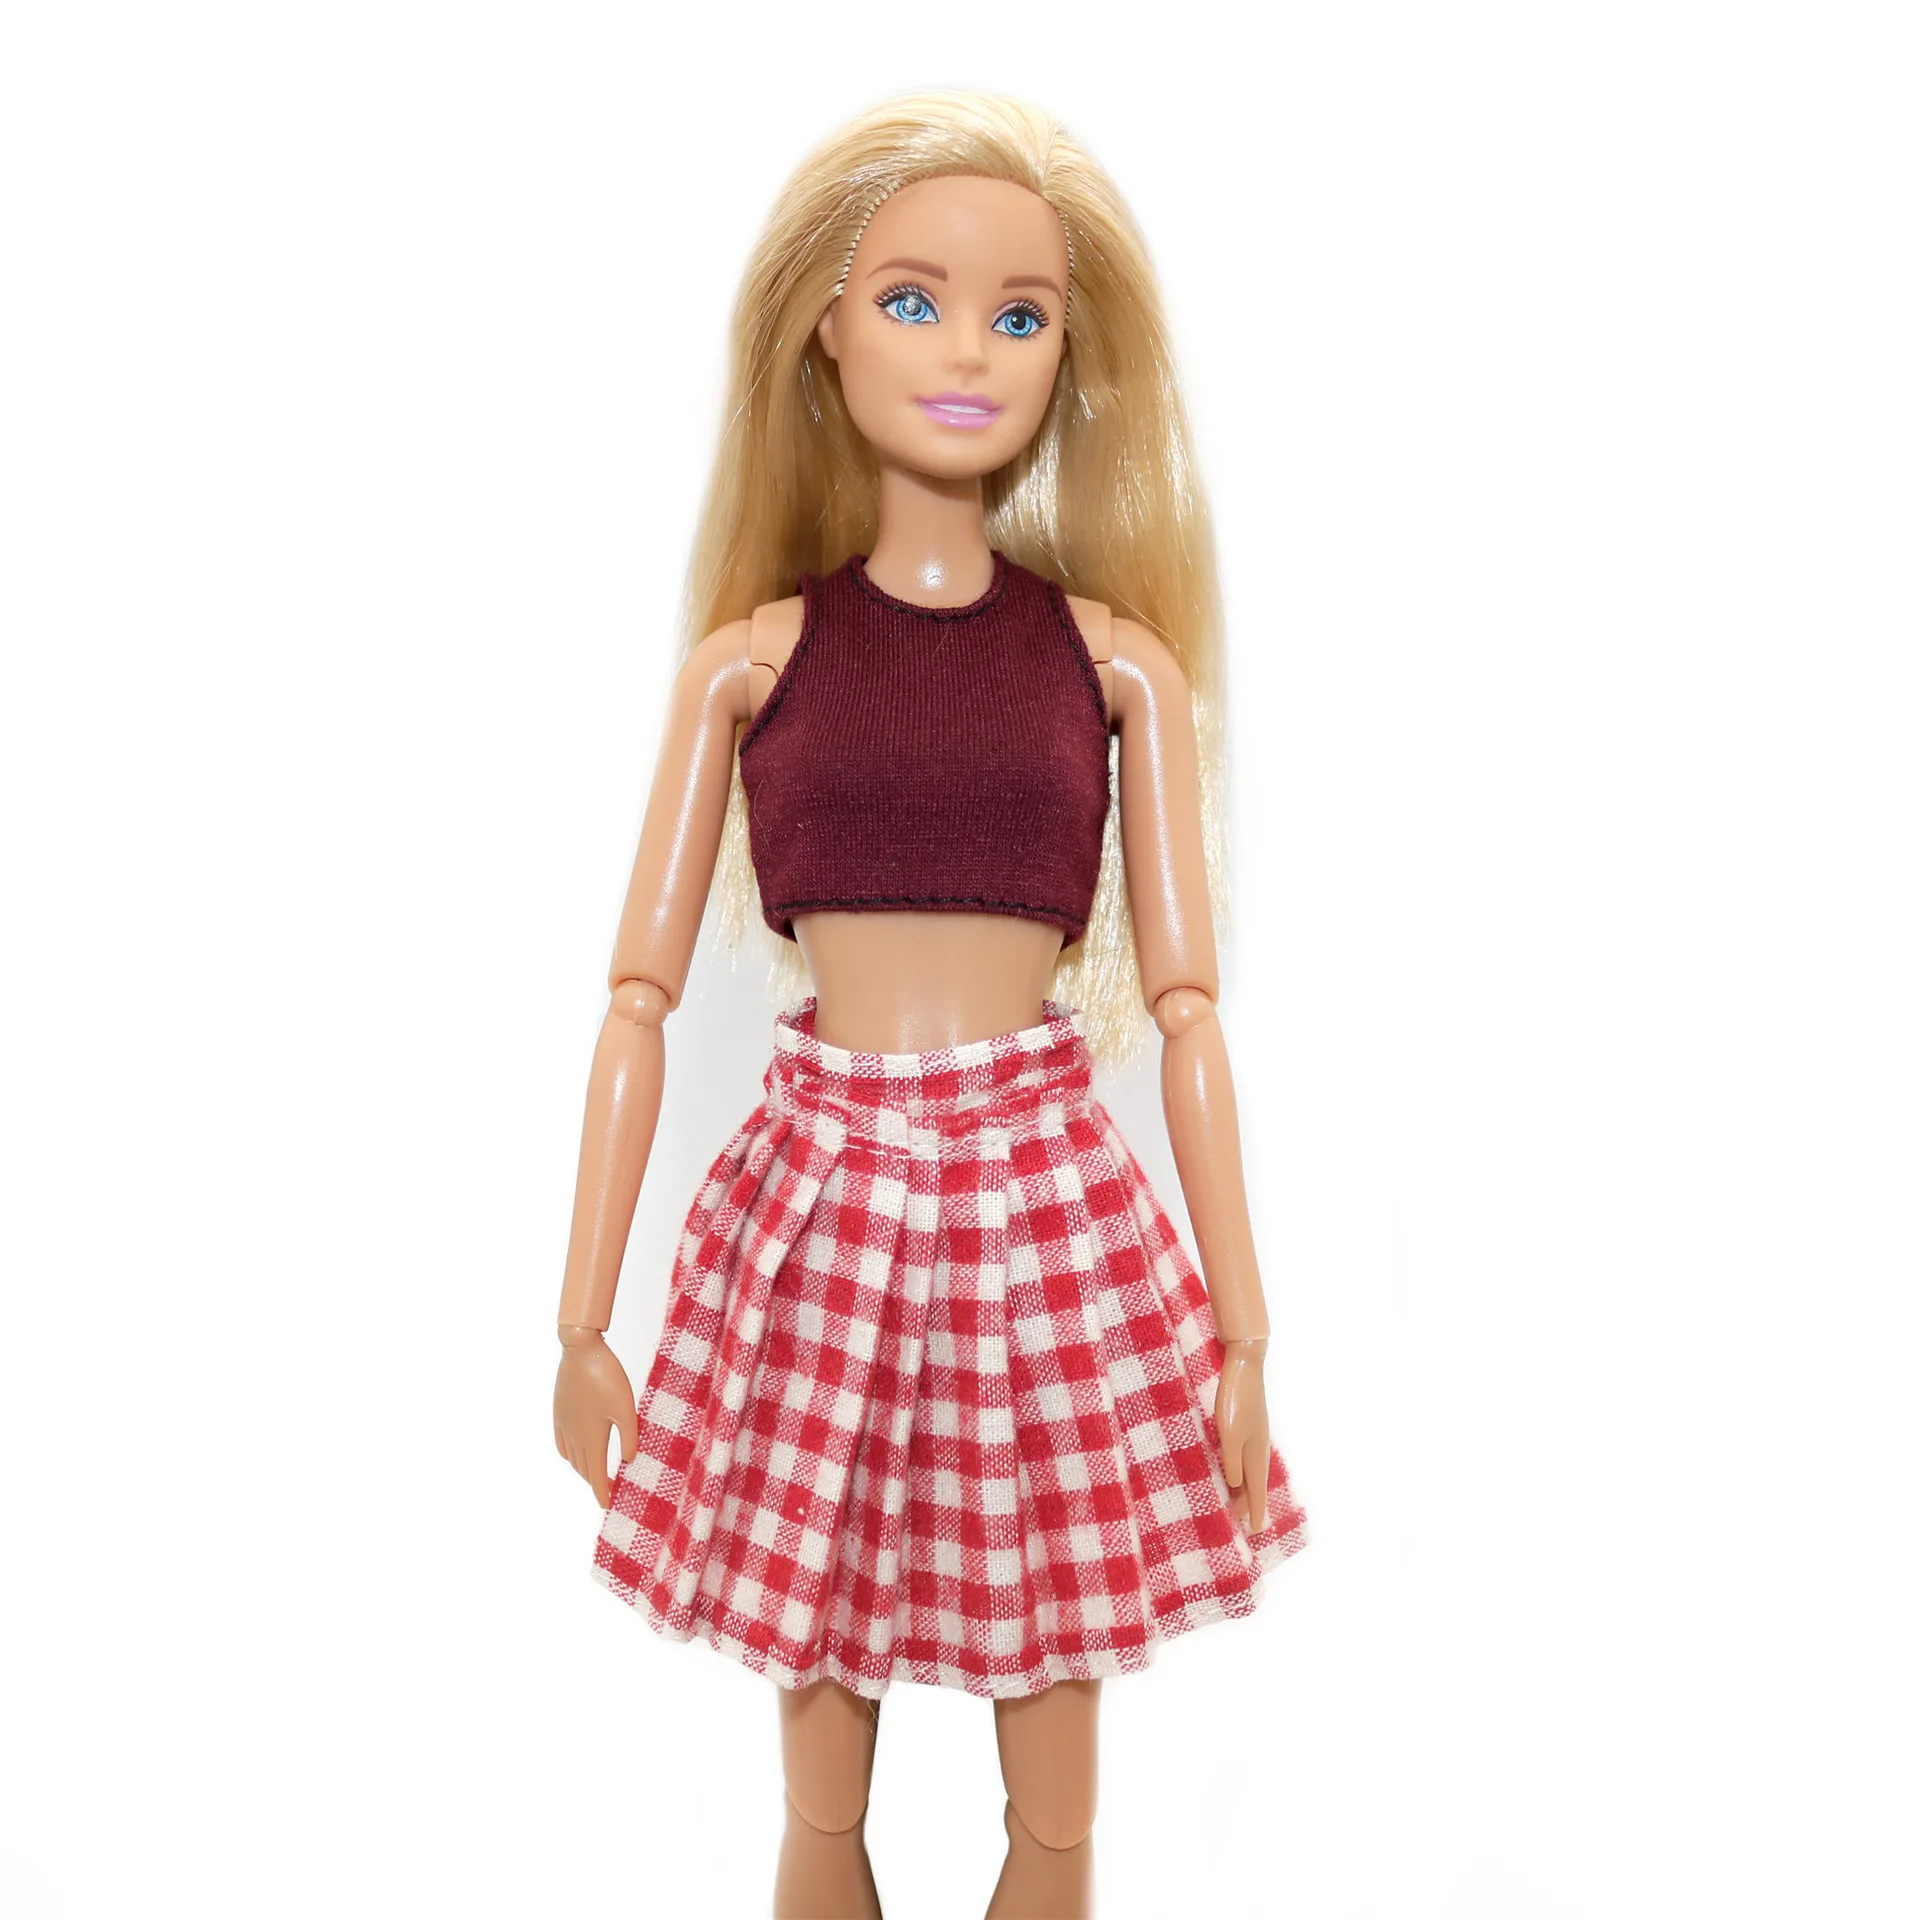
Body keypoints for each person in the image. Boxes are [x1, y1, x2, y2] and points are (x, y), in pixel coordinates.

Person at [551, 90, 1309, 1920]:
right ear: (824, 326)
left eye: (1019, 315)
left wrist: (1243, 1332)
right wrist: (581, 1323)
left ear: (1070, 351)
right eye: (913, 300)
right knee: (822, 1782)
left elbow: (1189, 1010)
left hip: (1045, 1208)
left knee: (1057, 1790)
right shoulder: (753, 665)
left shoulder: (1114, 666)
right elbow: (637, 996)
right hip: (819, 1203)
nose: (968, 351)